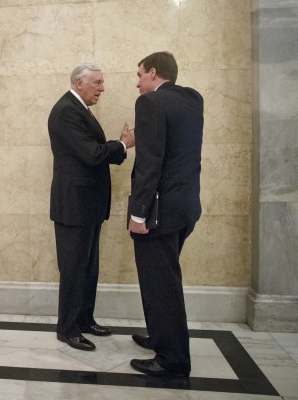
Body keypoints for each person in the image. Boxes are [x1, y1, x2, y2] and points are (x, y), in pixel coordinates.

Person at [48, 64, 135, 351]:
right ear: (79, 82)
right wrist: (122, 145)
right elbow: (91, 154)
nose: (102, 88)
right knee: (74, 269)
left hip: (87, 206)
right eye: (97, 83)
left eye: (101, 82)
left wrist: (119, 146)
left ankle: (84, 319)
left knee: (89, 268)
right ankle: (68, 328)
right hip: (74, 206)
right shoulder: (66, 111)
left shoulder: (78, 108)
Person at [127, 51, 203, 377]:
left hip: (158, 214)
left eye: (140, 74)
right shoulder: (192, 99)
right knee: (165, 281)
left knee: (161, 286)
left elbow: (149, 164)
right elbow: (174, 151)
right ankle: (161, 336)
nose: (138, 81)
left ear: (154, 73)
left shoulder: (150, 104)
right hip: (185, 209)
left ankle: (172, 360)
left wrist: (138, 215)